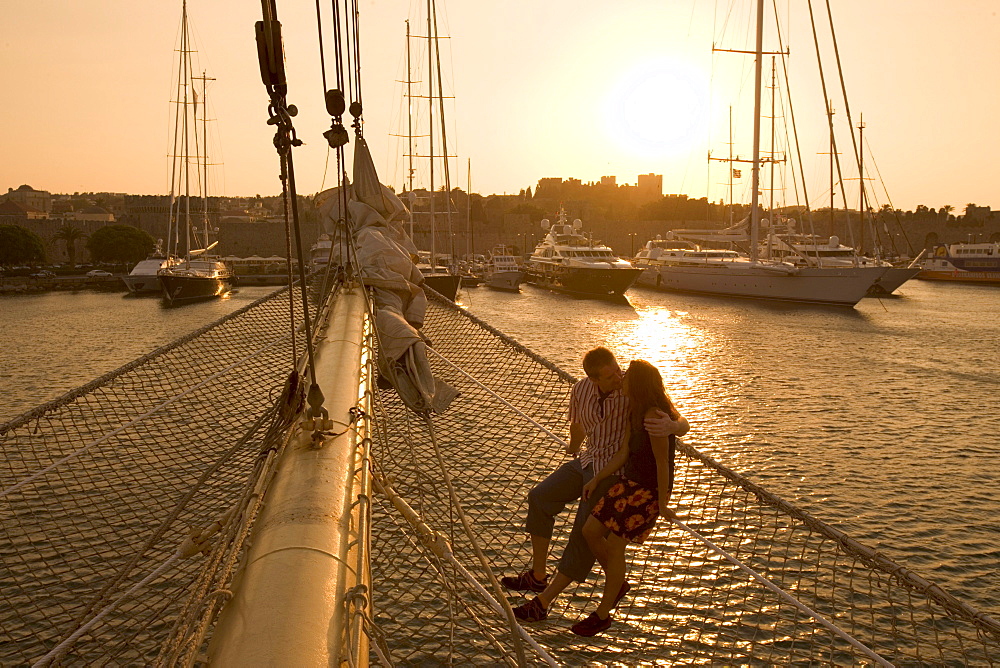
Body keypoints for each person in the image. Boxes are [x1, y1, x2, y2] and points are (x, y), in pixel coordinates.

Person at [501, 347, 688, 623]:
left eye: (618, 370)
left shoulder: (630, 394)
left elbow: (676, 418)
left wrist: (674, 428)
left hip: (614, 472)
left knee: (582, 533)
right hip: (588, 460)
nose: (618, 377)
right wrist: (573, 447)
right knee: (540, 497)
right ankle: (538, 576)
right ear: (594, 379)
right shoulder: (580, 390)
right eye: (611, 375)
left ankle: (542, 603)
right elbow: (578, 425)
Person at [571, 359, 683, 637]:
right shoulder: (635, 410)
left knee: (616, 545)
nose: (623, 379)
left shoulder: (654, 417)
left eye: (628, 377)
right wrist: (597, 478)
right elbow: (623, 453)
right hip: (629, 482)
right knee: (590, 531)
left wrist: (664, 502)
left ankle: (602, 614)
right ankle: (617, 581)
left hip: (648, 489)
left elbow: (662, 463)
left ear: (639, 384)